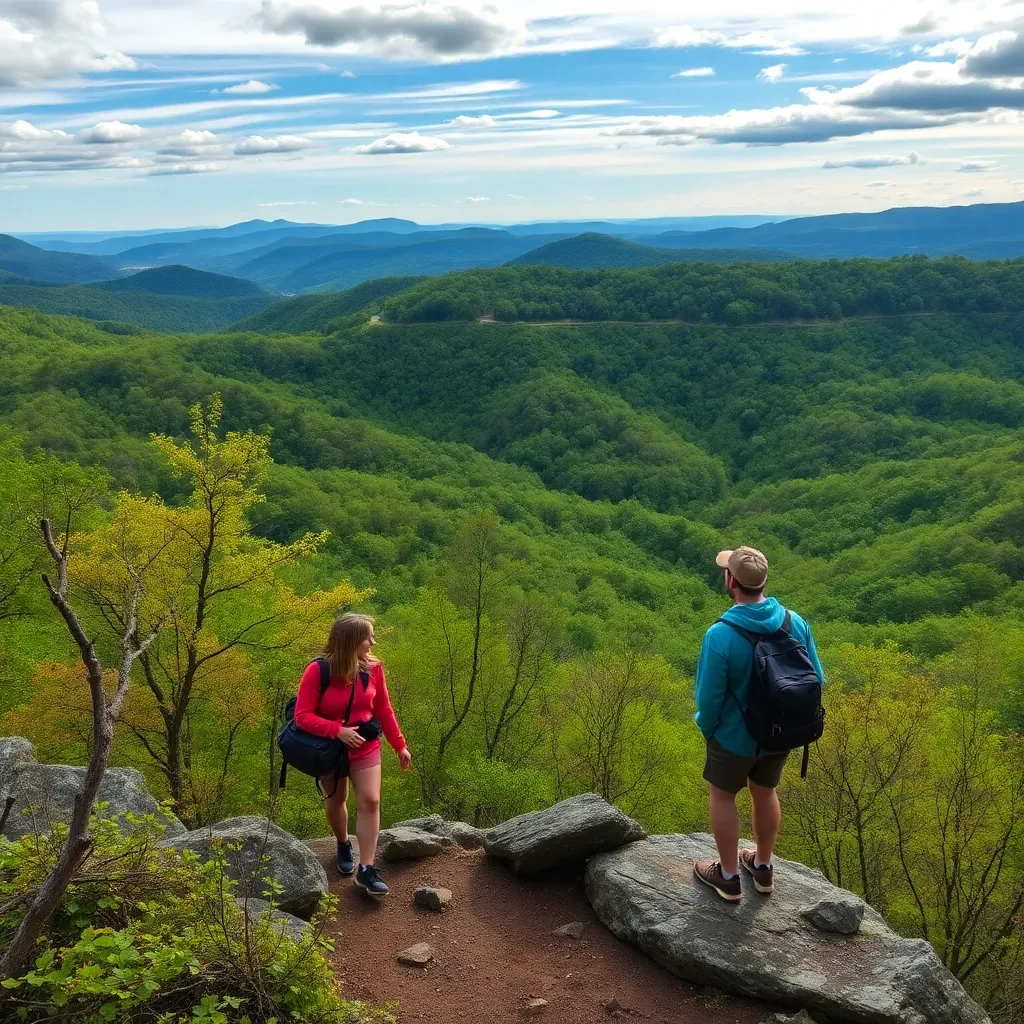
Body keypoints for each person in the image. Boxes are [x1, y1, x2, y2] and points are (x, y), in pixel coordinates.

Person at [692, 546, 823, 902]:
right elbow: (818, 679)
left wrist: (708, 728)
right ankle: (762, 867)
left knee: (722, 796)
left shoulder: (720, 634)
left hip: (734, 738)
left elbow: (708, 699)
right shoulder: (794, 622)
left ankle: (729, 876)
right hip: (780, 733)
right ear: (764, 581)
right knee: (765, 792)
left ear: (730, 580)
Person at [294, 613, 412, 896]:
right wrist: (337, 730)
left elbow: (383, 709)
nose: (373, 641)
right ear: (350, 641)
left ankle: (367, 869)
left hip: (366, 744)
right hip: (329, 748)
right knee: (337, 800)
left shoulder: (374, 668)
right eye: (367, 637)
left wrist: (400, 745)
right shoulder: (318, 671)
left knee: (370, 800)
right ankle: (342, 842)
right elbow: (302, 717)